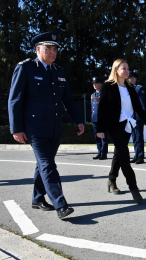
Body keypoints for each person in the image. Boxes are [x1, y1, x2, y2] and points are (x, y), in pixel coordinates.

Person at [8, 31, 84, 219]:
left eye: (55, 49)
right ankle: (61, 204)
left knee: (43, 165)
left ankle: (37, 198)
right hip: (34, 128)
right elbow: (15, 100)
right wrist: (16, 128)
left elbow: (68, 100)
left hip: (54, 128)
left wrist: (79, 120)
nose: (53, 52)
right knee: (48, 165)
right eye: (48, 48)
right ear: (37, 49)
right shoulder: (25, 68)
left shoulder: (59, 73)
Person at [97, 59, 146, 203]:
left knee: (119, 152)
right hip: (114, 125)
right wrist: (100, 128)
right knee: (124, 156)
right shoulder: (108, 86)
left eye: (128, 68)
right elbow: (102, 108)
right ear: (116, 70)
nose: (127, 71)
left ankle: (111, 179)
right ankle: (134, 189)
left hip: (128, 125)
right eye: (124, 68)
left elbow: (138, 107)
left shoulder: (130, 87)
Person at [128, 71, 146, 164]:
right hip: (131, 117)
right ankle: (136, 155)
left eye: (129, 78)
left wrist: (144, 118)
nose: (128, 79)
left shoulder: (139, 89)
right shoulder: (127, 89)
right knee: (134, 137)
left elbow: (143, 105)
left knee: (139, 137)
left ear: (134, 79)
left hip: (138, 117)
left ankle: (140, 156)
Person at [91, 76, 108, 160]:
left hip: (102, 119)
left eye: (96, 83)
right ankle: (99, 152)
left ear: (101, 84)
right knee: (97, 137)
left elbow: (108, 106)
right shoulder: (93, 95)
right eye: (94, 83)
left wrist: (100, 102)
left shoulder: (104, 94)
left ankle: (104, 153)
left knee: (103, 137)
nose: (95, 85)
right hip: (95, 119)